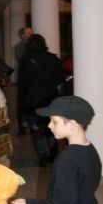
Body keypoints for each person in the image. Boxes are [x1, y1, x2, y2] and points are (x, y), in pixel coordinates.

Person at [18, 34, 64, 165]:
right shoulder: (53, 58)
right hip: (50, 97)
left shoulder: (26, 61)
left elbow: (22, 84)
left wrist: (21, 102)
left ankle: (42, 156)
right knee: (51, 126)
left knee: (36, 128)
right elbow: (60, 79)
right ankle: (54, 154)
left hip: (33, 99)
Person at [14, 26, 34, 135]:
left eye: (31, 32)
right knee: (22, 104)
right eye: (28, 33)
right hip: (24, 79)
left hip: (34, 80)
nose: (31, 34)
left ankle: (32, 126)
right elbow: (22, 58)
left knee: (33, 103)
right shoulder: (19, 47)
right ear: (22, 36)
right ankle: (22, 128)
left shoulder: (36, 46)